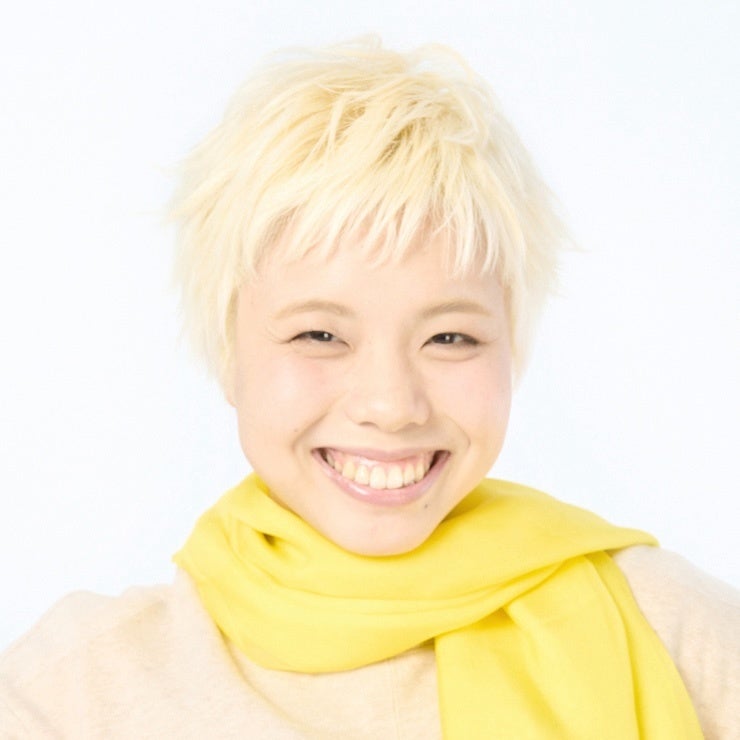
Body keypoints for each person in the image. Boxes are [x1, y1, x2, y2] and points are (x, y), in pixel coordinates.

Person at [1, 38, 737, 739]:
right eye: (320, 335)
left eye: (450, 338)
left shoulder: (673, 631)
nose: (390, 405)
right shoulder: (76, 692)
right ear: (229, 354)